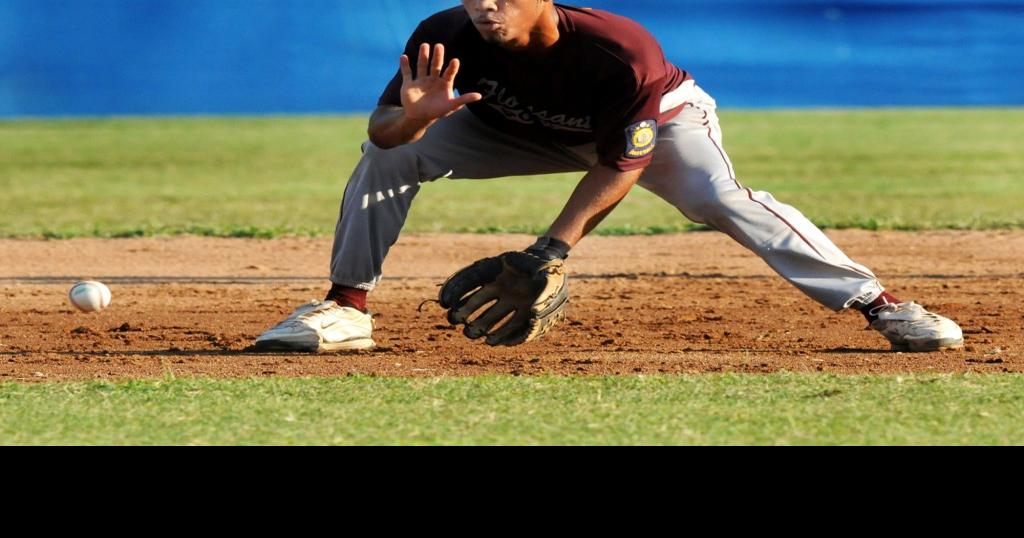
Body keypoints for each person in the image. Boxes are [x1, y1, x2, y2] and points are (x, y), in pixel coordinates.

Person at [254, 0, 963, 353]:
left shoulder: (620, 53)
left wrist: (549, 251)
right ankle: (346, 308)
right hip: (517, 131)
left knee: (718, 197)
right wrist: (414, 120)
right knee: (389, 155)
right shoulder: (448, 36)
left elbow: (620, 164)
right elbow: (382, 131)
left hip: (652, 127)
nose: (484, 6)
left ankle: (879, 302)